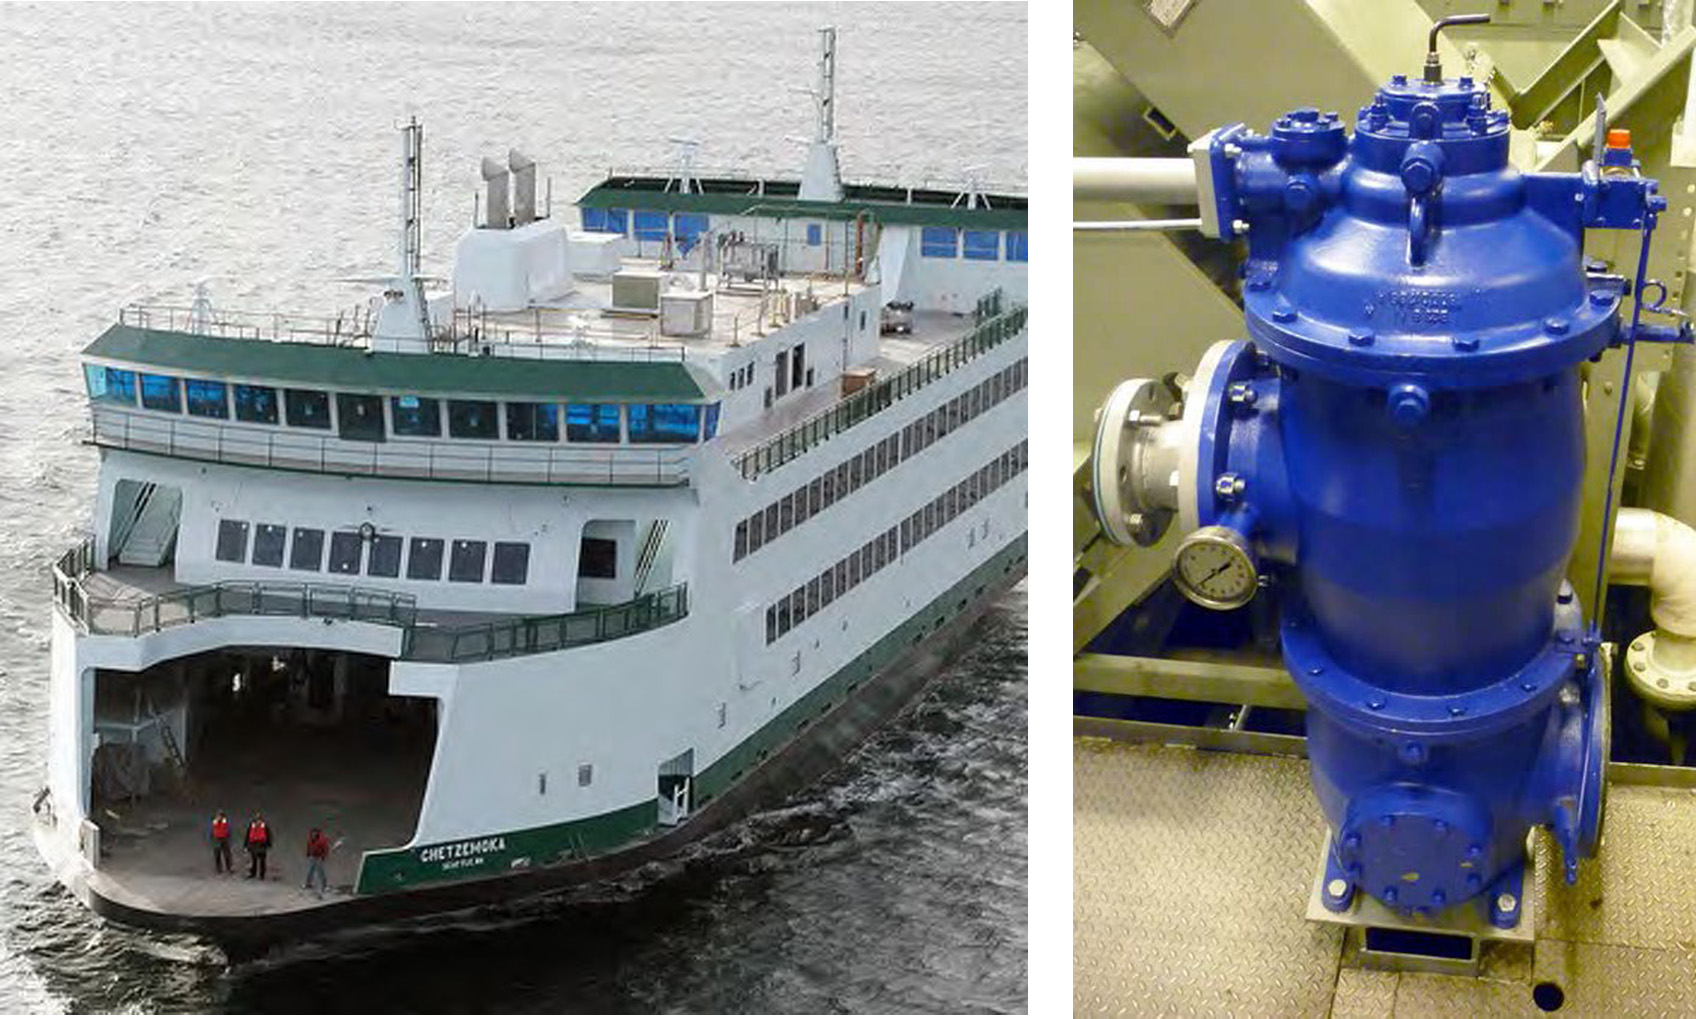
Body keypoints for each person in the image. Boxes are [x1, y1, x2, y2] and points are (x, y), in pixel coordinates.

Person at [303, 827, 331, 896]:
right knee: (310, 871)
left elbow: (326, 849)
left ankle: (325, 886)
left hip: (319, 857)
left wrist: (323, 857)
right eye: (312, 833)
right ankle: (308, 884)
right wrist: (308, 854)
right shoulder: (310, 839)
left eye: (315, 833)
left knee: (321, 872)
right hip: (312, 857)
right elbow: (308, 846)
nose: (313, 835)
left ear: (317, 833)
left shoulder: (322, 840)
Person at [244, 812, 272, 879]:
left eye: (259, 820)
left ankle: (262, 875)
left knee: (262, 861)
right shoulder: (251, 826)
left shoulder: (265, 826)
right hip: (253, 844)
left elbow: (268, 835)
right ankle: (253, 873)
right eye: (256, 820)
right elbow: (247, 835)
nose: (258, 822)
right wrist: (246, 845)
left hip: (262, 845)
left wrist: (269, 844)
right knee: (254, 860)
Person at [210, 810, 232, 875]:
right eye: (218, 816)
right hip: (217, 839)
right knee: (217, 854)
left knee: (227, 854)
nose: (219, 817)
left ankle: (229, 867)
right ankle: (219, 868)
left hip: (224, 839)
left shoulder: (225, 822)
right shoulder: (215, 822)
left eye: (220, 816)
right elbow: (213, 831)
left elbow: (228, 830)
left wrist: (228, 837)